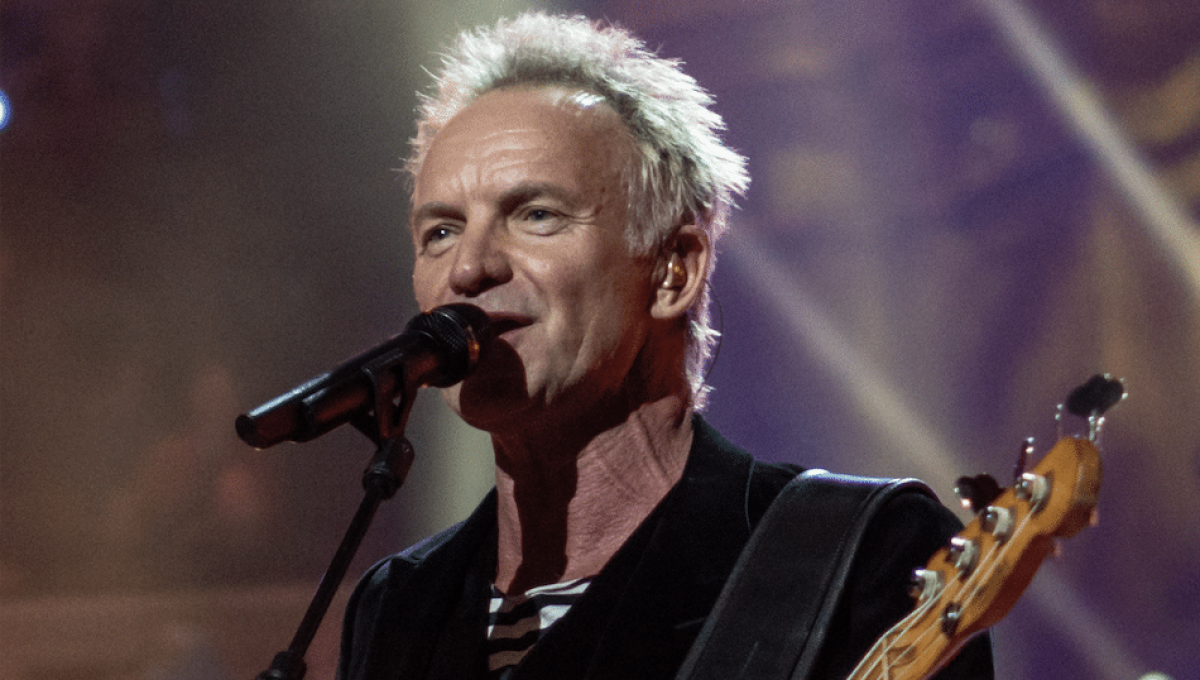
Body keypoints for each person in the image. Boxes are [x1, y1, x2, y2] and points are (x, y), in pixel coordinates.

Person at [337, 13, 994, 680]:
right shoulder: (399, 605)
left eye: (536, 215)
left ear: (673, 271)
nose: (468, 268)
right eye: (441, 231)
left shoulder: (855, 553)